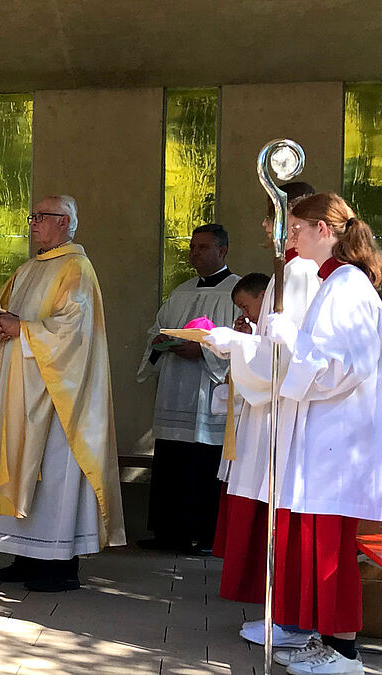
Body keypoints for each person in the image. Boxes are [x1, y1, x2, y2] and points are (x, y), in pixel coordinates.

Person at [230, 193, 381, 675]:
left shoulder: (348, 285)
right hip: (325, 436)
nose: (287, 239)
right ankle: (325, 639)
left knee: (332, 548)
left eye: (294, 229)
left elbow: (346, 366)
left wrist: (290, 338)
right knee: (319, 543)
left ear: (323, 229)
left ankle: (345, 653)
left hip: (340, 443)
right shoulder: (332, 282)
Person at [0, 195, 126, 592]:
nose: (33, 223)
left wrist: (20, 329)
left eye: (41, 217)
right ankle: (25, 555)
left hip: (58, 396)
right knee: (22, 470)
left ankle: (59, 565)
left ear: (64, 223)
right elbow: (10, 314)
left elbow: (73, 331)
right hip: (20, 393)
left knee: (53, 477)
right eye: (32, 216)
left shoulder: (76, 268)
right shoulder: (27, 269)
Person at [203, 183, 321, 651]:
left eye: (281, 220)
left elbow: (288, 358)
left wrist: (234, 346)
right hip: (275, 408)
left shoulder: (302, 274)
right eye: (271, 219)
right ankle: (287, 616)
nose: (270, 229)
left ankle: (295, 623)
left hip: (290, 414)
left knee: (289, 516)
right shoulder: (288, 271)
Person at [137, 223, 240, 554]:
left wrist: (204, 352)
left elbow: (244, 342)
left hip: (208, 396)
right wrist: (161, 341)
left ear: (222, 251)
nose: (195, 253)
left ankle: (205, 535)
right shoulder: (180, 292)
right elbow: (156, 328)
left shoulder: (236, 293)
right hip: (175, 388)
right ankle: (169, 533)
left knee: (204, 463)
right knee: (172, 460)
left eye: (203, 247)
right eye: (193, 247)